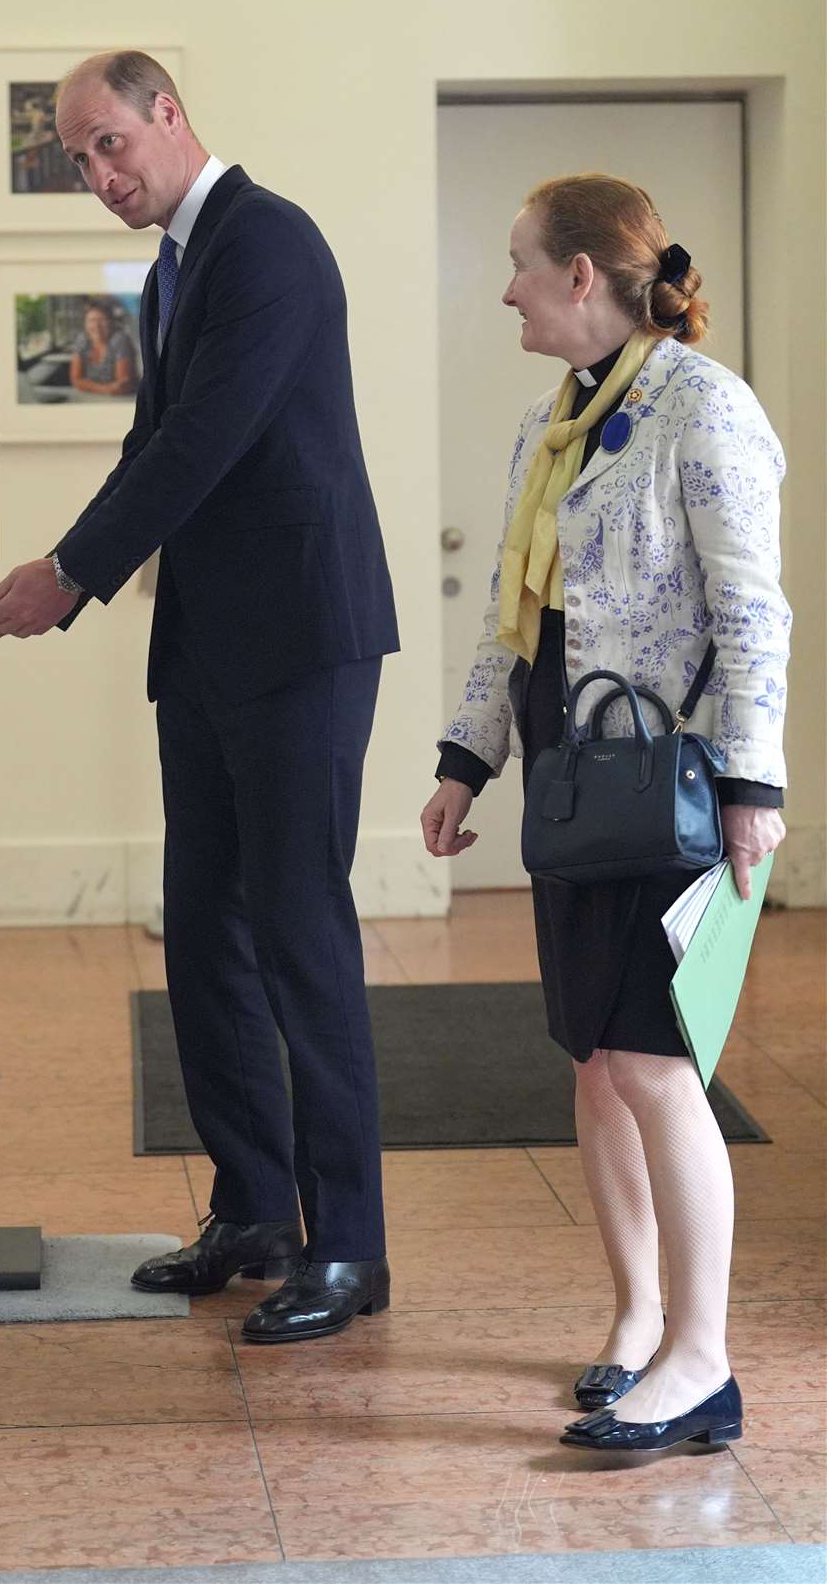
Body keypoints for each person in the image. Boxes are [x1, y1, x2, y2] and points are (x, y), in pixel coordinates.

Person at [0, 50, 399, 1343]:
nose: (97, 175)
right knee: (202, 930)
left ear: (169, 115)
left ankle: (349, 1249)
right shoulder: (174, 267)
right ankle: (252, 1211)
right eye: (76, 159)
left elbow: (207, 445)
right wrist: (48, 584)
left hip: (303, 641)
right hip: (205, 643)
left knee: (300, 932)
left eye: (108, 145)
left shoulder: (268, 243)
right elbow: (153, 444)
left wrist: (60, 577)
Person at [422, 174, 789, 1451]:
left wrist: (754, 785)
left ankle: (704, 1362)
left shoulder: (705, 409)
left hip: (672, 786)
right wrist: (465, 757)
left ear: (585, 275)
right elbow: (512, 619)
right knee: (593, 1062)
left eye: (521, 263)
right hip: (572, 777)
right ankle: (637, 1324)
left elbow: (752, 609)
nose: (508, 287)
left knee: (653, 1061)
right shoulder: (553, 423)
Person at [69, 300, 136, 397]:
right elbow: (75, 379)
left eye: (102, 319)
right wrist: (105, 389)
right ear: (85, 324)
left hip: (123, 399)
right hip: (93, 397)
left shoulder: (120, 339)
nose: (97, 326)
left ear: (111, 322)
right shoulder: (82, 339)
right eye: (91, 320)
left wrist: (87, 385)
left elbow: (123, 385)